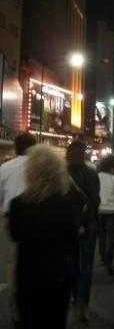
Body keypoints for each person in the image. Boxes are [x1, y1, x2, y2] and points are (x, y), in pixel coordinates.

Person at [8, 144, 79, 329]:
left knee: (29, 321)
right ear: (57, 172)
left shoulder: (17, 204)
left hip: (27, 275)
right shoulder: (65, 205)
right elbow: (72, 240)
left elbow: (14, 235)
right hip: (57, 276)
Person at [0, 132, 36, 325]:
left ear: (15, 148)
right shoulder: (41, 168)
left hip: (13, 220)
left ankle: (17, 311)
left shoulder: (5, 168)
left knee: (14, 265)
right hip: (40, 218)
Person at [67, 140, 100, 324]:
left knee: (71, 263)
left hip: (69, 227)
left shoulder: (62, 174)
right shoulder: (92, 174)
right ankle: (83, 303)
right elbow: (96, 200)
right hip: (89, 225)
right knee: (87, 266)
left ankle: (73, 296)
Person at [97, 155, 114, 274]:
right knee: (111, 238)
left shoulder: (96, 177)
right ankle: (109, 261)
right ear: (112, 166)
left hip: (99, 211)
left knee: (102, 236)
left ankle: (102, 257)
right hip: (111, 211)